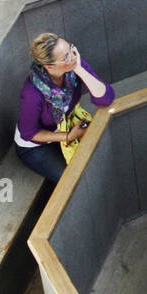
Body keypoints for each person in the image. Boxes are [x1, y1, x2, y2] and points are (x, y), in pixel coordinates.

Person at [15, 33, 115, 182]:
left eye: (72, 49)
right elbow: (29, 133)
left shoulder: (74, 65)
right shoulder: (32, 93)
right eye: (66, 57)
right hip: (37, 145)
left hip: (67, 125)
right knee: (74, 180)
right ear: (49, 66)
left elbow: (106, 98)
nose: (73, 57)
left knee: (100, 156)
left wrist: (80, 69)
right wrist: (68, 136)